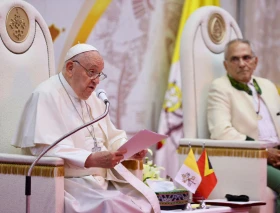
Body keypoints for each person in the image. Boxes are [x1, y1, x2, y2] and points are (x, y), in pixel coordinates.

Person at [11, 43, 160, 213]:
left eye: (99, 74)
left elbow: (111, 136)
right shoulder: (45, 95)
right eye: (91, 72)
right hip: (67, 183)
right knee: (111, 204)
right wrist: (90, 159)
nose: (96, 81)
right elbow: (44, 149)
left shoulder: (93, 99)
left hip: (100, 181)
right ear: (70, 68)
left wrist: (128, 150)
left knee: (143, 201)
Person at [207, 38, 280, 212]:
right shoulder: (219, 88)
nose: (241, 63)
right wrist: (263, 152)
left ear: (255, 61)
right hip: (249, 159)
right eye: (235, 59)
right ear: (226, 65)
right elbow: (221, 132)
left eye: (246, 57)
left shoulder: (268, 85)